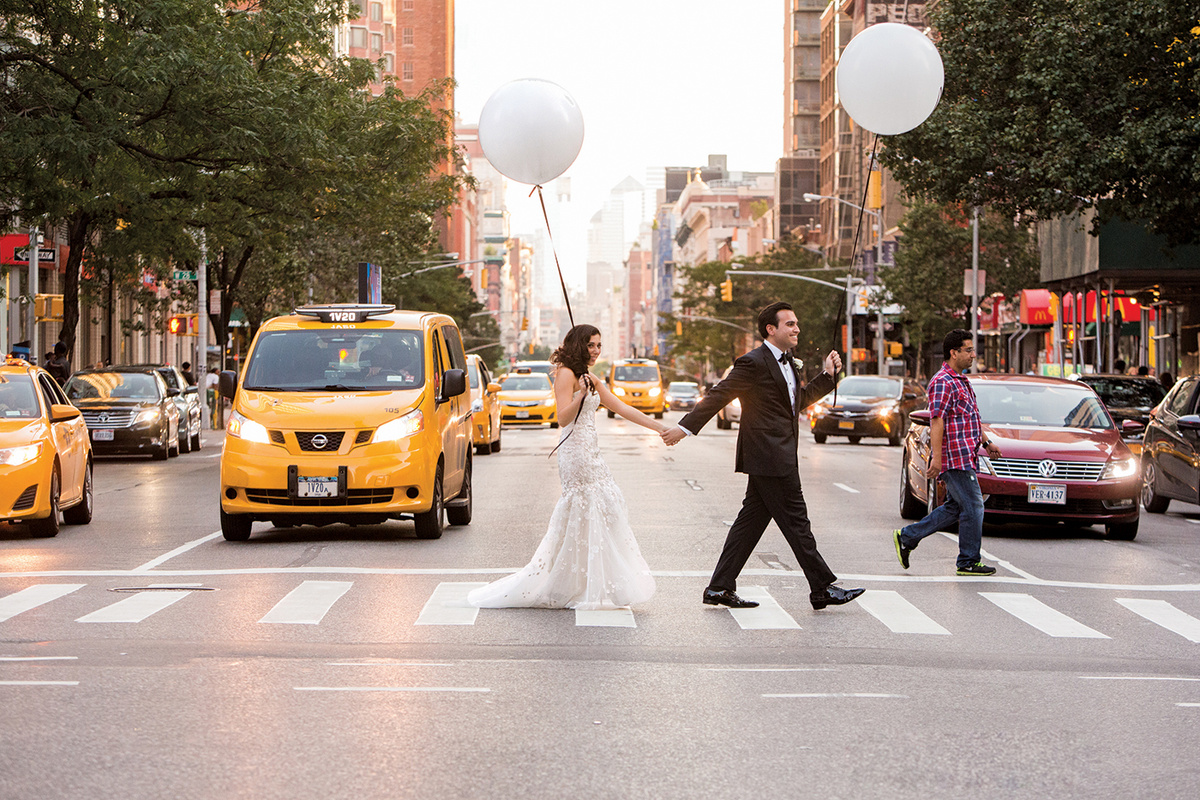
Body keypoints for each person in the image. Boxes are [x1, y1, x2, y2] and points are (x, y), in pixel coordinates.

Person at [662, 301, 865, 612]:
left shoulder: (791, 361)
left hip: (777, 454)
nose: (797, 329)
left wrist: (827, 376)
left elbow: (797, 402)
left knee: (750, 524)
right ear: (771, 329)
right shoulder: (752, 362)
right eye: (790, 324)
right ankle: (822, 588)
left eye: (796, 324)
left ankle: (719, 587)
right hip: (770, 456)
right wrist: (685, 428)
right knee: (797, 523)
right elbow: (720, 394)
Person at [467, 324, 668, 610]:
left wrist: (660, 429)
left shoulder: (590, 377)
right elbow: (562, 418)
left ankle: (583, 580)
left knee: (603, 508)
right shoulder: (566, 374)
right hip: (576, 453)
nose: (596, 350)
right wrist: (580, 396)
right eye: (591, 345)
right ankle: (568, 582)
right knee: (588, 508)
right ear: (578, 345)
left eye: (599, 345)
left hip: (592, 451)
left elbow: (621, 407)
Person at [892, 329, 1000, 577]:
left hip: (967, 455)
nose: (974, 354)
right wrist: (937, 458)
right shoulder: (942, 382)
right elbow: (937, 420)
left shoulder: (960, 380)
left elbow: (970, 417)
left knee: (954, 508)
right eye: (969, 350)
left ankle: (907, 537)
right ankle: (968, 561)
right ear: (954, 352)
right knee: (974, 507)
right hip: (955, 457)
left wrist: (986, 442)